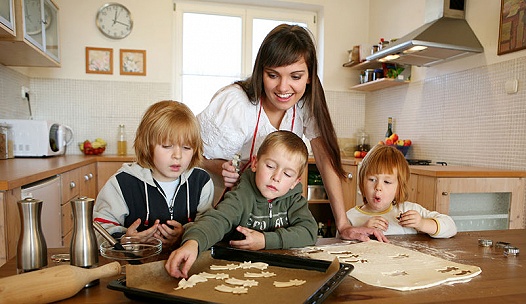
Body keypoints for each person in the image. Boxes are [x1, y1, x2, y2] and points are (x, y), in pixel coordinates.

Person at [196, 23, 386, 242]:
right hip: (220, 209)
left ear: (309, 76)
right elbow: (189, 157)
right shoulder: (237, 104)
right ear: (261, 72)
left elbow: (325, 160)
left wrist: (343, 224)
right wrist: (218, 167)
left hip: (267, 217)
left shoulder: (306, 102)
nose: (283, 87)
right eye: (273, 75)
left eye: (295, 77)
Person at [165, 130, 318, 278]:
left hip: (280, 270)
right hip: (238, 271)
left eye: (287, 174)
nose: (276, 177)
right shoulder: (241, 195)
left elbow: (309, 232)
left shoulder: (294, 200)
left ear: (295, 182)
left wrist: (265, 240)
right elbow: (217, 220)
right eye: (270, 166)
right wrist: (193, 243)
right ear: (255, 163)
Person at [93, 100, 214, 250]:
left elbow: (208, 225)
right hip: (133, 264)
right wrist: (124, 240)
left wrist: (186, 235)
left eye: (186, 147)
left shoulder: (201, 182)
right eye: (167, 146)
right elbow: (99, 228)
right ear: (147, 145)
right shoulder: (122, 183)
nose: (177, 155)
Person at [346, 144, 457, 238]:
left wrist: (422, 224)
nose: (378, 187)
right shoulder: (351, 218)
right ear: (361, 183)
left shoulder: (409, 210)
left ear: (399, 188)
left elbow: (451, 227)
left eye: (387, 182)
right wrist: (363, 230)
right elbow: (338, 248)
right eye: (372, 180)